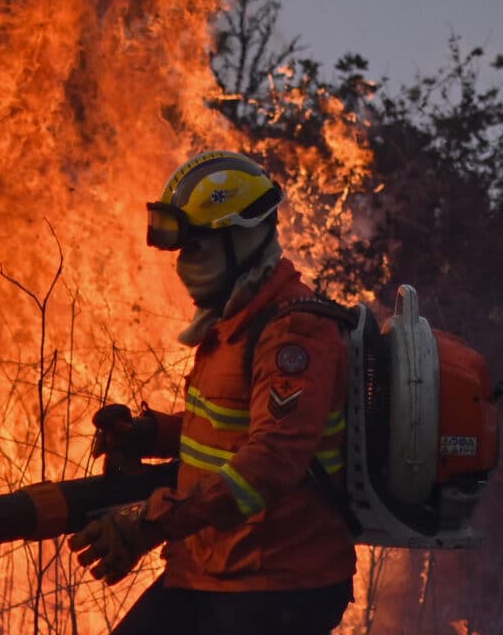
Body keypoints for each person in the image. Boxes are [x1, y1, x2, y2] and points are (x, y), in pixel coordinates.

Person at [69, 150, 357, 635]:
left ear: (240, 239)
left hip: (276, 585)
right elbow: (229, 431)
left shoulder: (295, 333)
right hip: (208, 569)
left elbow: (270, 461)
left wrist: (150, 524)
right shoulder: (235, 324)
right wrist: (150, 434)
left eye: (196, 247)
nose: (184, 264)